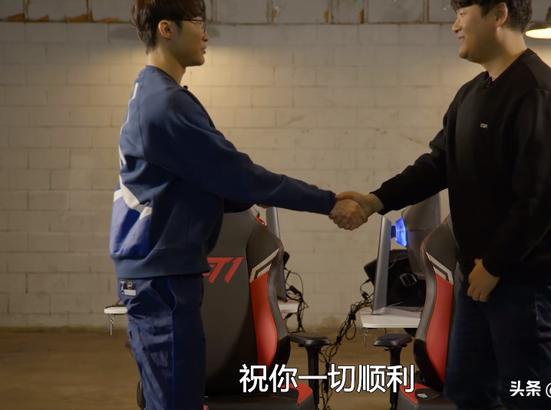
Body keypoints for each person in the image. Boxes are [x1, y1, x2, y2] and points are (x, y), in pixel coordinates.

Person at [109, 1, 362, 408]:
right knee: (176, 400)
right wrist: (327, 202)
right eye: (197, 22)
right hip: (162, 275)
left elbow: (223, 185)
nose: (206, 33)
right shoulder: (165, 105)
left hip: (162, 270)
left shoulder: (157, 94)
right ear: (166, 29)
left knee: (178, 394)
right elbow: (241, 177)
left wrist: (246, 194)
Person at [332, 1, 551, 409]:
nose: (454, 26)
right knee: (467, 391)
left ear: (498, 14)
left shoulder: (537, 92)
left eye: (462, 14)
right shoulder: (471, 94)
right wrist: (376, 200)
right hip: (478, 274)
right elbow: (439, 165)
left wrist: (495, 265)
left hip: (523, 279)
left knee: (528, 399)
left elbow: (542, 195)